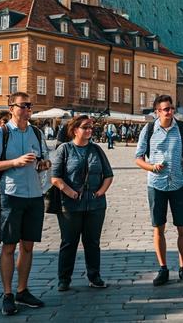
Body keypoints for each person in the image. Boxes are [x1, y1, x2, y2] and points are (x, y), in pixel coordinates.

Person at [0, 92, 51, 316]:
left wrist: (43, 163)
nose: (27, 110)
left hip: (34, 195)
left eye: (29, 106)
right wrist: (15, 161)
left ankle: (22, 290)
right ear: (11, 108)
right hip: (11, 194)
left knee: (28, 246)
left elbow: (42, 158)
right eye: (23, 106)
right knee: (9, 246)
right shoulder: (1, 133)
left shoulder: (36, 132)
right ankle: (7, 294)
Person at [134, 95, 183, 287]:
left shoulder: (182, 129)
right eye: (165, 109)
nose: (170, 112)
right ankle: (163, 268)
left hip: (178, 184)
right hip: (156, 184)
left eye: (171, 108)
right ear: (157, 112)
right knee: (158, 227)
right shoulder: (149, 129)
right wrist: (151, 167)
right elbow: (138, 158)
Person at [50, 115, 114, 291]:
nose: (89, 130)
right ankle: (64, 279)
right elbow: (55, 177)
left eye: (91, 127)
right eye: (85, 127)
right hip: (70, 205)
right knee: (69, 242)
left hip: (95, 206)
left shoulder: (96, 150)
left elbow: (108, 175)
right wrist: (70, 192)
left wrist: (100, 192)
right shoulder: (65, 149)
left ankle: (94, 276)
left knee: (92, 242)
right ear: (75, 129)